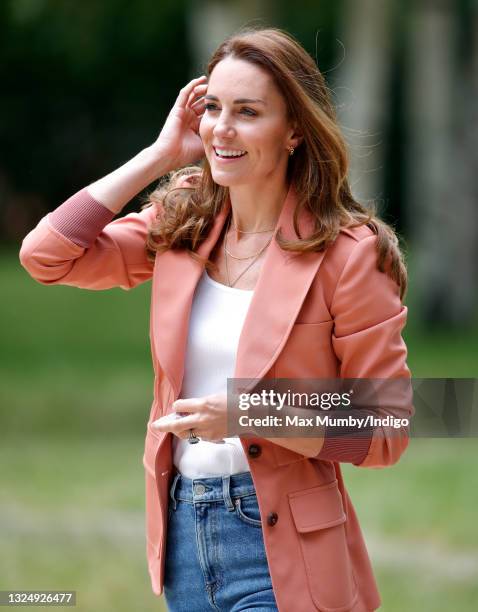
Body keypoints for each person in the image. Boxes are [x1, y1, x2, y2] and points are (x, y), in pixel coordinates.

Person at [20, 27, 412, 612]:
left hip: (285, 550)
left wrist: (246, 413)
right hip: (183, 534)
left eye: (248, 112)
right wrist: (159, 156)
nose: (221, 128)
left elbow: (390, 422)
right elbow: (46, 255)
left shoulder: (350, 254)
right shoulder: (180, 229)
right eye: (213, 108)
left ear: (295, 130)